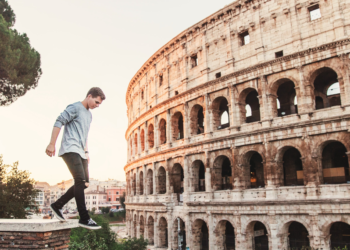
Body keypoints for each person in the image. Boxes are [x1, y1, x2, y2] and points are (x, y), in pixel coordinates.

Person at [45, 87, 105, 230]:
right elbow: (59, 121)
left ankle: (57, 205)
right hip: (70, 148)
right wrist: (52, 143)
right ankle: (84, 218)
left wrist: (87, 152)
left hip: (81, 151)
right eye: (96, 102)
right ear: (89, 96)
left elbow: (85, 135)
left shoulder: (89, 115)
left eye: (99, 104)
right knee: (79, 180)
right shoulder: (75, 107)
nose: (97, 106)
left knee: (84, 184)